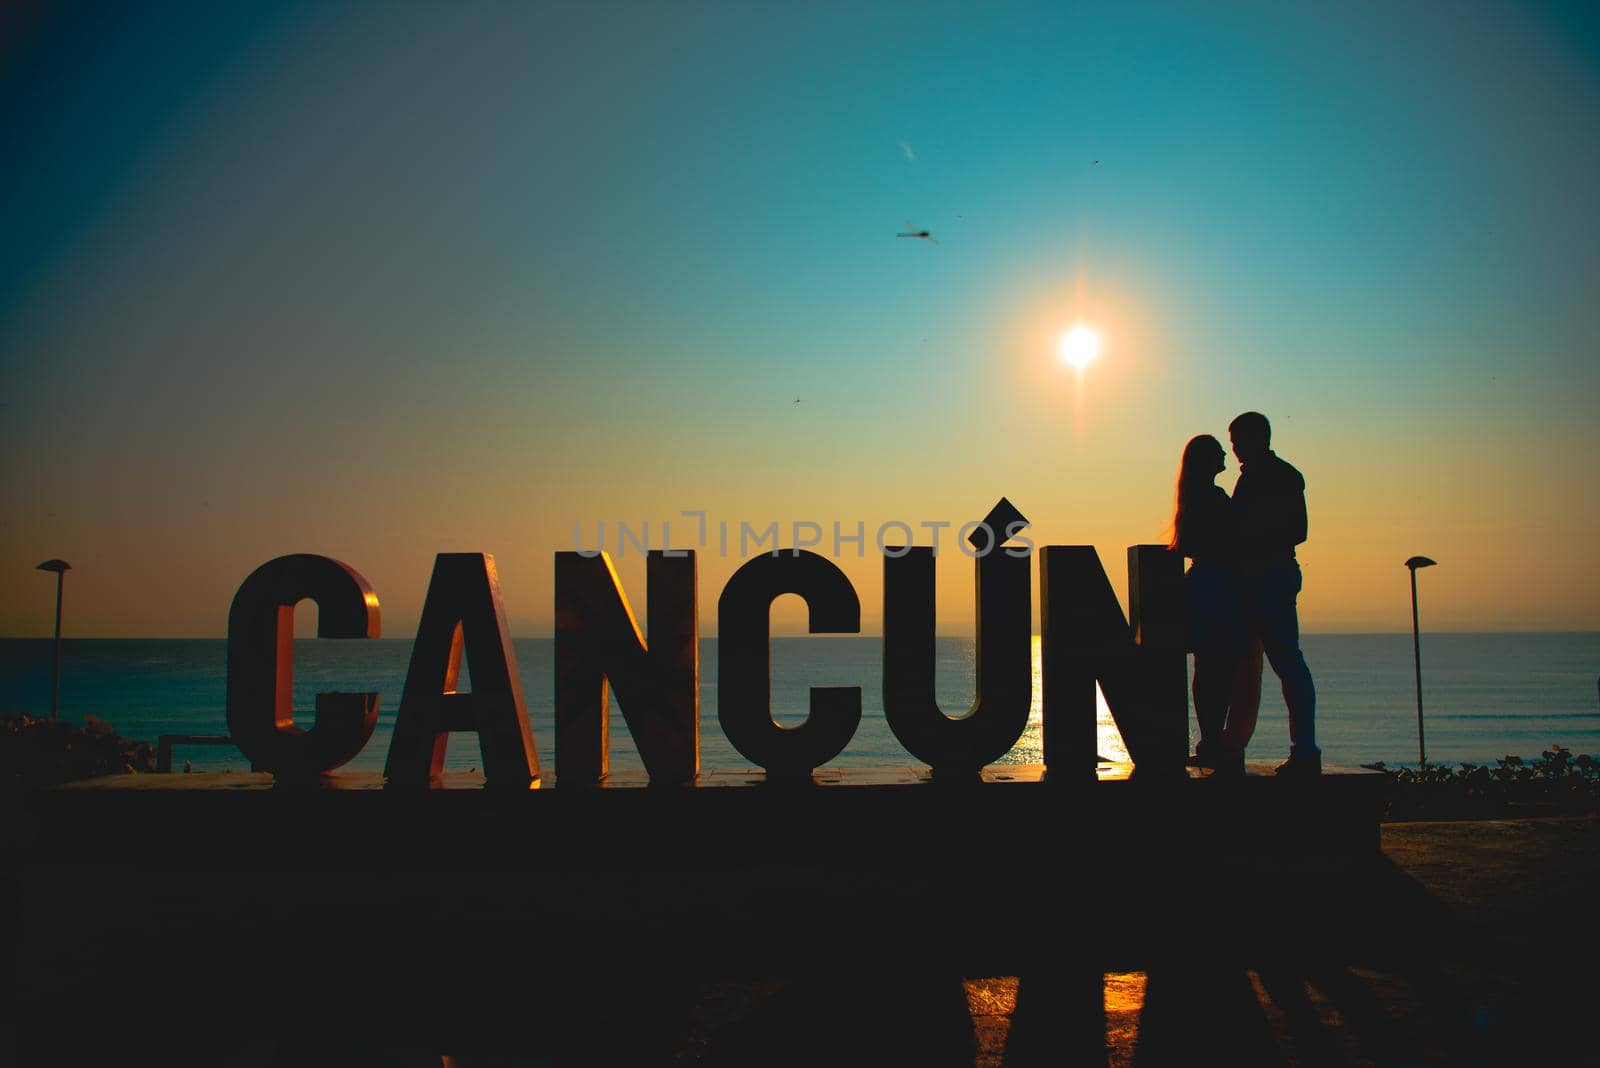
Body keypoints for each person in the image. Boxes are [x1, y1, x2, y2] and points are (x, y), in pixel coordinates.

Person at [1223, 412, 1319, 776]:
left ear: (1257, 437)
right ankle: (1239, 743)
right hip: (1262, 577)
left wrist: (1249, 538)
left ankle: (1305, 749)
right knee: (1267, 663)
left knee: (1287, 662)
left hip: (1270, 576)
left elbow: (1298, 529)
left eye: (1238, 442)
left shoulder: (1278, 476)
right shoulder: (1268, 475)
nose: (1235, 451)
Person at [1170, 434, 1244, 774]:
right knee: (1220, 664)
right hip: (1219, 584)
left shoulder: (1196, 498)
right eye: (1217, 451)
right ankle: (1213, 739)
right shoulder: (1212, 498)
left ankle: (1211, 739)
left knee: (1209, 665)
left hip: (1206, 582)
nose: (1223, 454)